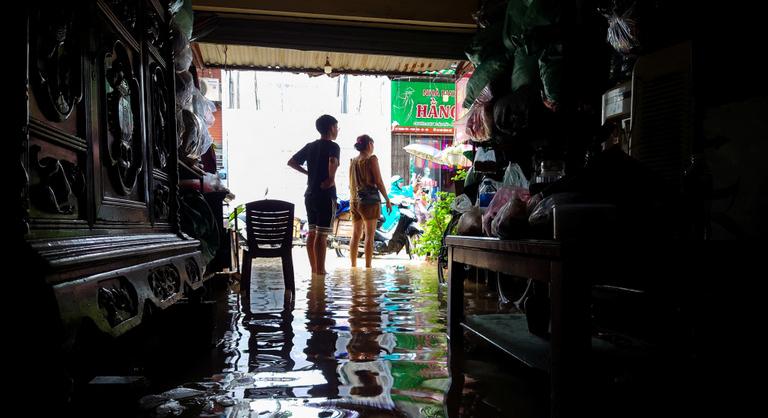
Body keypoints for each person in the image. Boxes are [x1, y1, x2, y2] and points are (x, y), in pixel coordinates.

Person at [287, 115, 340, 275]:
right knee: (322, 234)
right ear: (331, 128)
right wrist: (331, 178)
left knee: (312, 232)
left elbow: (292, 162)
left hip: (310, 194)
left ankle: (314, 270)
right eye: (337, 127)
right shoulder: (333, 146)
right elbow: (332, 161)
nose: (337, 130)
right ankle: (321, 270)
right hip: (325, 194)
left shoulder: (310, 146)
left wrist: (308, 173)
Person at [348, 135, 392, 268]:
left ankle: (353, 266)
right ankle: (368, 268)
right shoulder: (371, 159)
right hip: (369, 202)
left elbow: (351, 183)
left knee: (355, 235)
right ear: (369, 145)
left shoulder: (353, 161)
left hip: (354, 201)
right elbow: (378, 181)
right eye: (372, 144)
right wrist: (387, 200)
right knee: (369, 236)